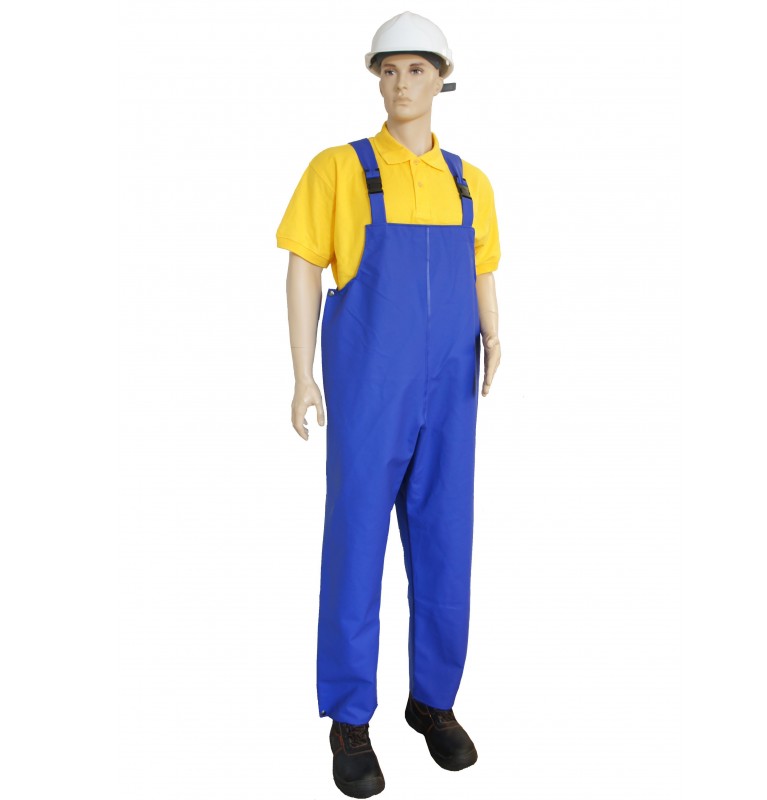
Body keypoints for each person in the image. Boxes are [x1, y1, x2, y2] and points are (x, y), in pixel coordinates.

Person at [276, 11, 502, 798]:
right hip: (370, 385)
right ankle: (349, 717)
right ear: (377, 78)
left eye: (417, 69)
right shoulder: (340, 169)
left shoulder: (470, 182)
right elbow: (304, 267)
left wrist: (495, 333)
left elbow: (483, 268)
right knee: (356, 544)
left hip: (452, 386)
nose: (402, 83)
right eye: (390, 69)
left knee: (446, 543)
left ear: (443, 79)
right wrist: (302, 373)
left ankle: (432, 701)